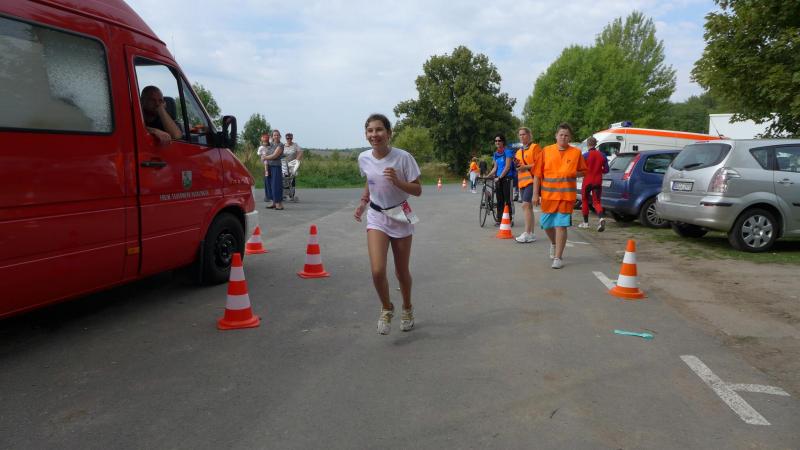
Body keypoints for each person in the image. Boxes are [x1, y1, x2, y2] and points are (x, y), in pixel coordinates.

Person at [353, 113, 421, 335]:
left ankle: (407, 308)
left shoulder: (403, 158)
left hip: (400, 214)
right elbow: (370, 180)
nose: (375, 134)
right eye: (370, 130)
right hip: (377, 216)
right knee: (377, 270)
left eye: (379, 129)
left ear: (389, 133)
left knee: (401, 272)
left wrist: (397, 181)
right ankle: (386, 307)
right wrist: (363, 202)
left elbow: (418, 189)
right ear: (366, 134)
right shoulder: (364, 158)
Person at [533, 123, 587, 269]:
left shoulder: (576, 153)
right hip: (548, 196)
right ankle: (554, 243)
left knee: (561, 226)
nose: (563, 137)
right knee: (546, 225)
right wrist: (535, 194)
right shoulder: (546, 151)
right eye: (561, 134)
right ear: (556, 136)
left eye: (566, 135)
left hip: (566, 197)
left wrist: (573, 173)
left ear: (570, 138)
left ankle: (558, 257)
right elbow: (537, 175)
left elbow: (584, 171)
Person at [514, 127, 542, 243]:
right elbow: (518, 166)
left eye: (524, 134)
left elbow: (540, 164)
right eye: (520, 135)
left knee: (525, 205)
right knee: (528, 207)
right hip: (522, 182)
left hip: (532, 180)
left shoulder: (535, 147)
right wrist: (518, 167)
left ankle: (527, 233)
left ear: (529, 135)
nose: (522, 136)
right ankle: (531, 234)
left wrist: (525, 167)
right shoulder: (518, 151)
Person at [578, 136, 610, 231]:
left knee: (584, 200)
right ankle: (601, 218)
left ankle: (585, 223)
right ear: (596, 144)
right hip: (598, 181)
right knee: (597, 202)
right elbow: (606, 170)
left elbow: (580, 169)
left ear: (588, 144)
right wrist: (599, 171)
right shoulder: (602, 155)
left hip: (587, 181)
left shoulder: (585, 155)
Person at [486, 134, 516, 225]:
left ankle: (510, 219)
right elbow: (495, 168)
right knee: (499, 200)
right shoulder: (495, 154)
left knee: (508, 199)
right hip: (498, 179)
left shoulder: (508, 152)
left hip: (507, 178)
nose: (497, 142)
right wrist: (487, 176)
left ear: (503, 142)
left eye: (499, 140)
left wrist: (499, 177)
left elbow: (507, 167)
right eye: (496, 141)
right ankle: (500, 219)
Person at [261, 129, 285, 210]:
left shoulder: (281, 145)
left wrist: (265, 157)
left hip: (276, 167)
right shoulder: (270, 144)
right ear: (272, 137)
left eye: (277, 135)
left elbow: (275, 155)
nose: (276, 136)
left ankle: (279, 203)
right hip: (268, 166)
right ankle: (273, 202)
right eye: (274, 135)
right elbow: (264, 151)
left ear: (280, 136)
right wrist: (263, 156)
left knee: (276, 185)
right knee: (268, 184)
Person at [256, 133, 271, 202]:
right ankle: (268, 196)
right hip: (265, 161)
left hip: (271, 162)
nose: (265, 143)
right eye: (264, 141)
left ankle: (270, 195)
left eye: (266, 141)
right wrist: (262, 156)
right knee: (267, 178)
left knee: (270, 180)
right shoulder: (261, 147)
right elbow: (259, 154)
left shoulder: (270, 146)